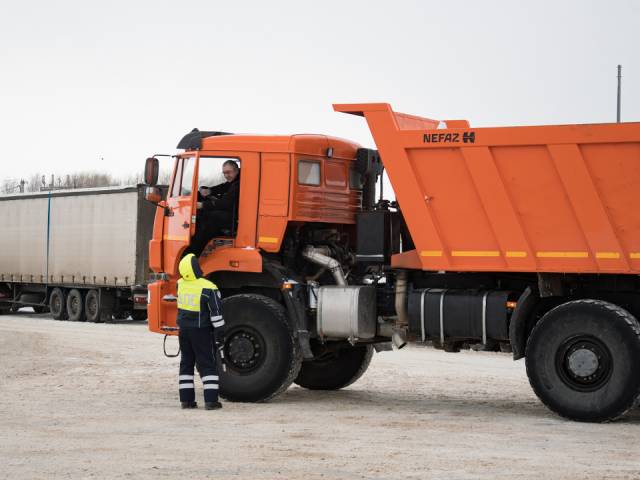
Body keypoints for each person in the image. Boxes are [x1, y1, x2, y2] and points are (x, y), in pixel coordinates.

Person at [176, 253, 226, 410]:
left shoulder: (180, 284)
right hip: (200, 331)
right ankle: (211, 401)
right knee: (207, 363)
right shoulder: (208, 287)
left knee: (186, 363)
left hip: (183, 330)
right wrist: (221, 332)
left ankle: (186, 400)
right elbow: (215, 313)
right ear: (196, 268)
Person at [190, 160, 241, 257]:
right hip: (234, 211)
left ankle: (198, 249)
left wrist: (202, 205)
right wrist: (210, 190)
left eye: (228, 172)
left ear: (236, 171)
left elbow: (225, 202)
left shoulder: (238, 184)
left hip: (236, 216)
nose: (226, 176)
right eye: (224, 173)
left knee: (210, 217)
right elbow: (223, 187)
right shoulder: (235, 181)